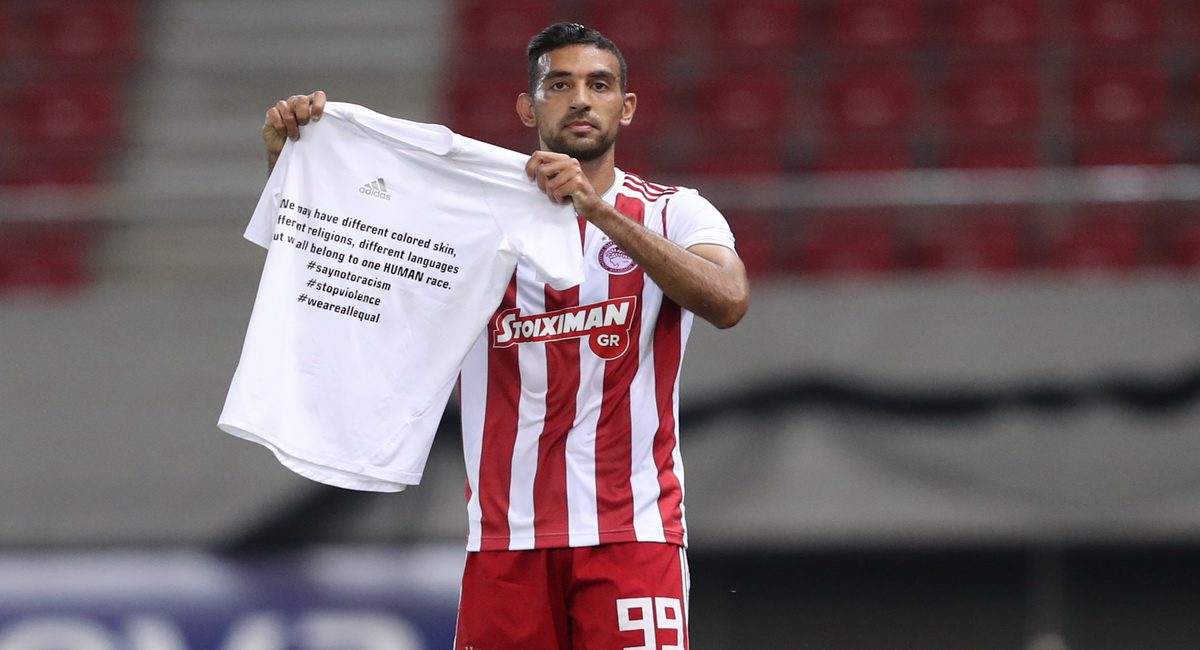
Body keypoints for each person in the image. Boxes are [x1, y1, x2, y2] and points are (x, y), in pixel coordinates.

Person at [261, 22, 748, 650]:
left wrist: (597, 212)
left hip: (632, 534)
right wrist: (294, 160)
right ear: (527, 107)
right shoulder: (470, 223)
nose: (580, 99)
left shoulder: (675, 211)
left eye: (599, 85)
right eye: (559, 85)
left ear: (626, 108)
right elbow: (341, 257)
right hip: (505, 543)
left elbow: (728, 300)